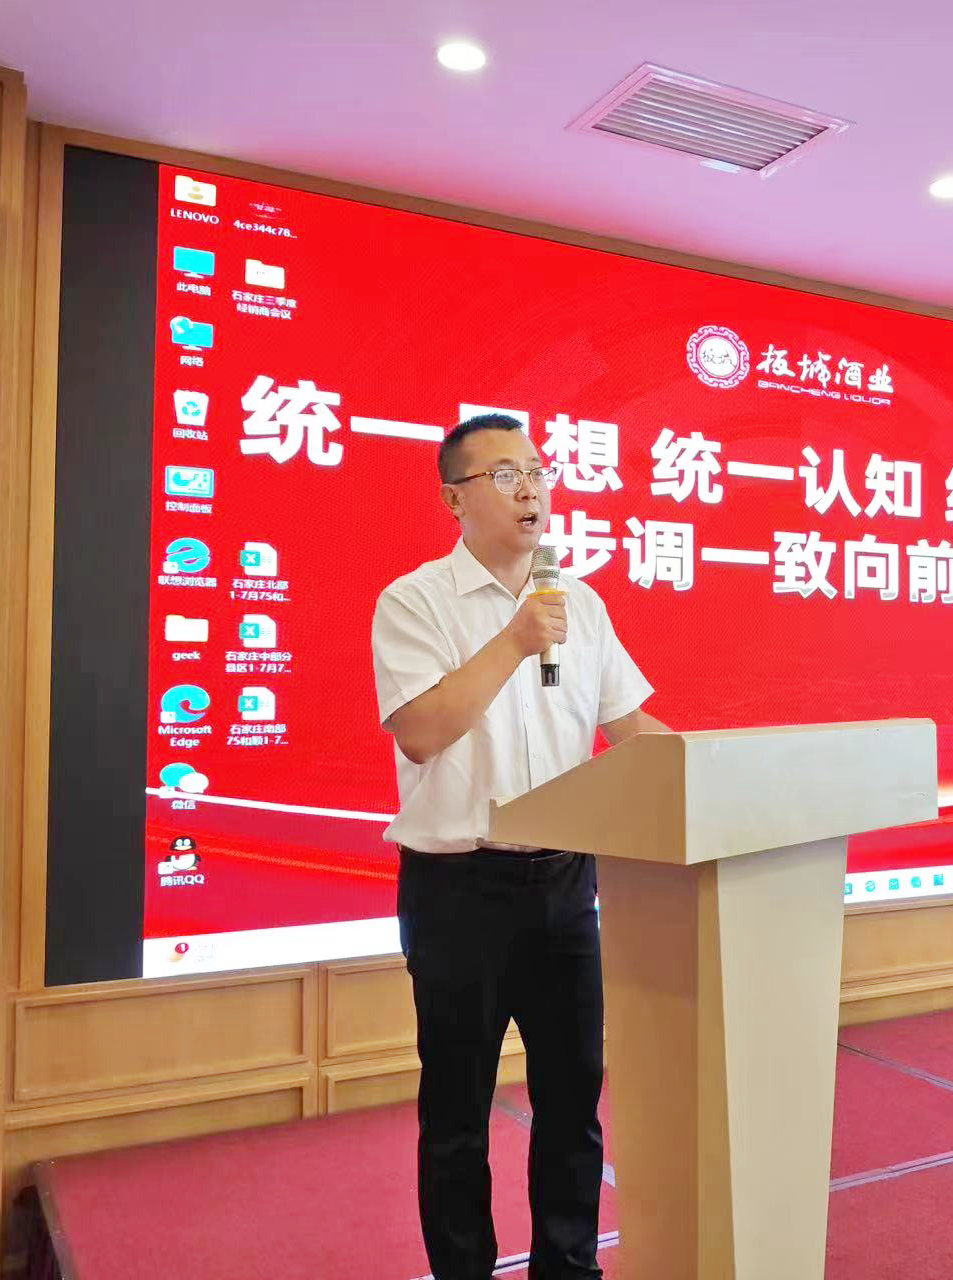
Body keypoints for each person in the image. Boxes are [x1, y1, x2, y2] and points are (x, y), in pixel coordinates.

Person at [370, 413, 667, 1280]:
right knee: (457, 1111)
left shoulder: (583, 604)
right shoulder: (415, 601)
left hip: (566, 885)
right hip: (458, 891)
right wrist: (514, 638)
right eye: (504, 474)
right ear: (454, 500)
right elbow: (422, 732)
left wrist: (719, 771)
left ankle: (568, 1270)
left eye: (537, 470)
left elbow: (630, 728)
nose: (530, 488)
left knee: (573, 1100)